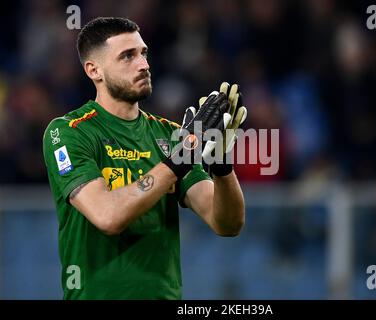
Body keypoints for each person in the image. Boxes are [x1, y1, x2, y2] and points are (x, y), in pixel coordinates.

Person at [42, 17, 246, 299]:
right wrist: (178, 160)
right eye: (127, 56)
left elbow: (227, 224)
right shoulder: (68, 132)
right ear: (94, 70)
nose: (144, 64)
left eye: (143, 53)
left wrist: (222, 165)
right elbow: (108, 216)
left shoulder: (170, 135)